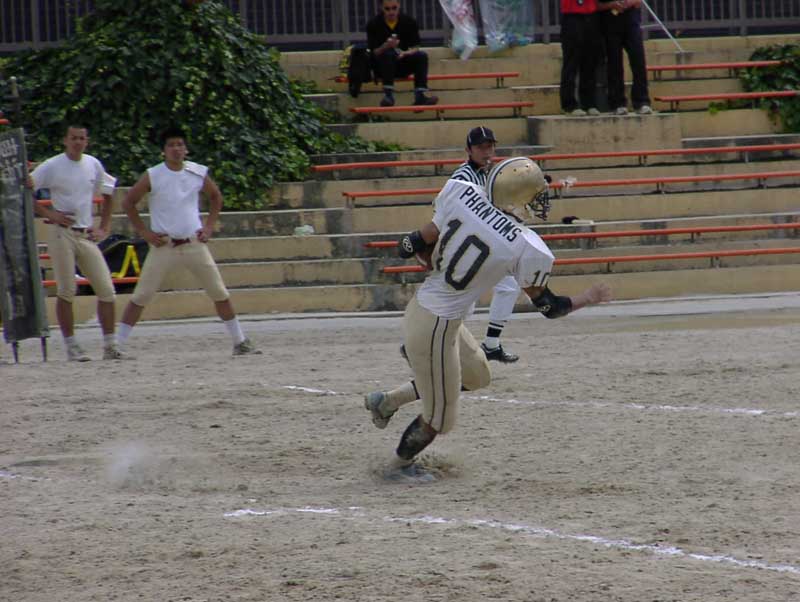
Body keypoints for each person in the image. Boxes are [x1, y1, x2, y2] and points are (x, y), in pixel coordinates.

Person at [364, 157, 612, 480]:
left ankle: (387, 402)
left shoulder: (462, 192)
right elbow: (549, 307)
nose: (540, 201)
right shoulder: (523, 244)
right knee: (439, 420)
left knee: (477, 376)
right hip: (436, 325)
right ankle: (397, 467)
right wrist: (588, 297)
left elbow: (408, 244)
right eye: (536, 194)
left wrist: (428, 259)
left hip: (431, 313)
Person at [116, 126, 259, 357]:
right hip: (164, 244)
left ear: (186, 149)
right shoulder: (153, 174)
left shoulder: (197, 172)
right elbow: (129, 202)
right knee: (142, 294)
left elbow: (215, 196)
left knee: (218, 291)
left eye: (180, 144)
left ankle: (239, 340)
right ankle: (117, 345)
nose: (176, 149)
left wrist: (209, 226)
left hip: (193, 241)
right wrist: (144, 232)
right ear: (164, 150)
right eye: (171, 145)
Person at [29, 124, 127, 361]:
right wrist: (49, 214)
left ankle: (110, 345)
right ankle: (71, 346)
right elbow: (27, 188)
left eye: (81, 138)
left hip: (85, 233)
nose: (77, 142)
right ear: (66, 140)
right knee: (66, 289)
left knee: (106, 289)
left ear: (86, 141)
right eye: (73, 138)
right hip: (62, 232)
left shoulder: (93, 164)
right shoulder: (53, 165)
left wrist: (104, 226)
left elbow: (108, 191)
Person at [451, 126, 522, 362]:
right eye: (481, 147)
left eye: (490, 146)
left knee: (507, 287)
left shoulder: (487, 173)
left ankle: (491, 345)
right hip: (465, 247)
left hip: (482, 247)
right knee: (462, 306)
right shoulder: (463, 177)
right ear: (468, 150)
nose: (487, 151)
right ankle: (423, 342)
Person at [366, 0, 438, 108]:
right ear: (381, 8)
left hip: (402, 63)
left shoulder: (409, 22)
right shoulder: (374, 24)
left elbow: (416, 47)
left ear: (399, 6)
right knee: (388, 54)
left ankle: (420, 95)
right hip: (382, 67)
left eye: (394, 8)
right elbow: (373, 52)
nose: (391, 12)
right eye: (387, 9)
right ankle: (388, 96)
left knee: (421, 56)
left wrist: (406, 53)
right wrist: (385, 46)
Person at [598, 0, 653, 115]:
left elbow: (638, 2)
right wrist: (611, 5)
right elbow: (596, 5)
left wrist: (629, 3)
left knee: (638, 60)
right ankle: (617, 103)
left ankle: (641, 101)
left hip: (631, 20)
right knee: (614, 63)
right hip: (609, 20)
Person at [559, 0, 602, 117]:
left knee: (590, 61)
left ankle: (589, 103)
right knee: (571, 62)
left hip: (591, 15)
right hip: (572, 15)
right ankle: (569, 105)